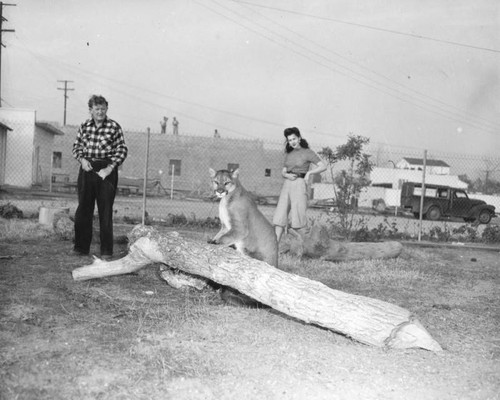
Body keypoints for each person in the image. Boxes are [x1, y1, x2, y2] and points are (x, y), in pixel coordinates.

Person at [71, 95, 128, 260]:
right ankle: (80, 248)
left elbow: (122, 150)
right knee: (83, 209)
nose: (100, 112)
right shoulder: (84, 126)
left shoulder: (114, 127)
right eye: (97, 109)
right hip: (87, 169)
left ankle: (106, 251)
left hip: (106, 171)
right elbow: (77, 146)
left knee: (105, 211)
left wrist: (110, 168)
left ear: (106, 109)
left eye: (103, 109)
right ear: (91, 110)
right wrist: (82, 160)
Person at [273, 127, 326, 243]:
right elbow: (284, 171)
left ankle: (304, 247)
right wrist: (286, 176)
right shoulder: (289, 154)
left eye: (294, 139)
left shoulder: (308, 152)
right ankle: (274, 246)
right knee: (280, 216)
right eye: (289, 140)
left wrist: (309, 173)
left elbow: (323, 166)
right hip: (287, 184)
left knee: (298, 217)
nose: (292, 142)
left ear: (299, 138)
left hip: (299, 183)